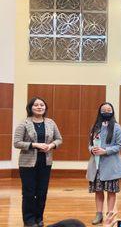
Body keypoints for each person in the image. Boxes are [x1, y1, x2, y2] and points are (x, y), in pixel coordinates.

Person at [13, 97, 63, 227]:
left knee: (42, 192)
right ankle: (29, 220)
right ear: (30, 107)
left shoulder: (51, 122)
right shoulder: (24, 123)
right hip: (27, 163)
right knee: (29, 192)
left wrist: (51, 145)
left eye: (42, 105)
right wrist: (35, 145)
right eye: (36, 105)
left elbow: (59, 139)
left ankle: (39, 218)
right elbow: (17, 143)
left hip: (45, 162)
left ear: (45, 108)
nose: (39, 107)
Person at [86, 102, 121, 225]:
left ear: (112, 112)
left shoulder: (117, 127)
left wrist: (105, 151)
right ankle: (99, 215)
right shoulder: (95, 126)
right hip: (96, 164)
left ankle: (110, 215)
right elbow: (90, 144)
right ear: (100, 112)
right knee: (98, 191)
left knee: (111, 192)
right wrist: (91, 149)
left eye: (109, 110)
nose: (106, 112)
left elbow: (119, 146)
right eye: (104, 110)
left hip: (111, 165)